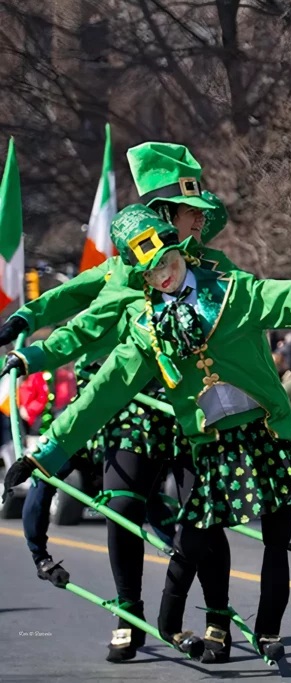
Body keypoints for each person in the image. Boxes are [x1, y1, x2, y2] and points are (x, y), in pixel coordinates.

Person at [1, 204, 291, 662]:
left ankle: (262, 631)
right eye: (150, 273)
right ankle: (160, 622)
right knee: (190, 534)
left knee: (277, 536)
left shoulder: (233, 289)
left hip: (263, 431)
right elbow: (101, 391)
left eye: (167, 264)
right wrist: (48, 453)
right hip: (209, 440)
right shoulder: (146, 326)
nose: (162, 277)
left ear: (182, 253)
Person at [0, 142, 239, 663]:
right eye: (188, 212)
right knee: (123, 508)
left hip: (199, 407)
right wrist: (26, 334)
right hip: (133, 409)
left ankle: (218, 618)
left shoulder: (217, 269)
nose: (198, 221)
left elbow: (260, 307)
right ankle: (128, 613)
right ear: (162, 217)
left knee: (206, 515)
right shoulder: (120, 274)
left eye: (201, 213)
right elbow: (77, 315)